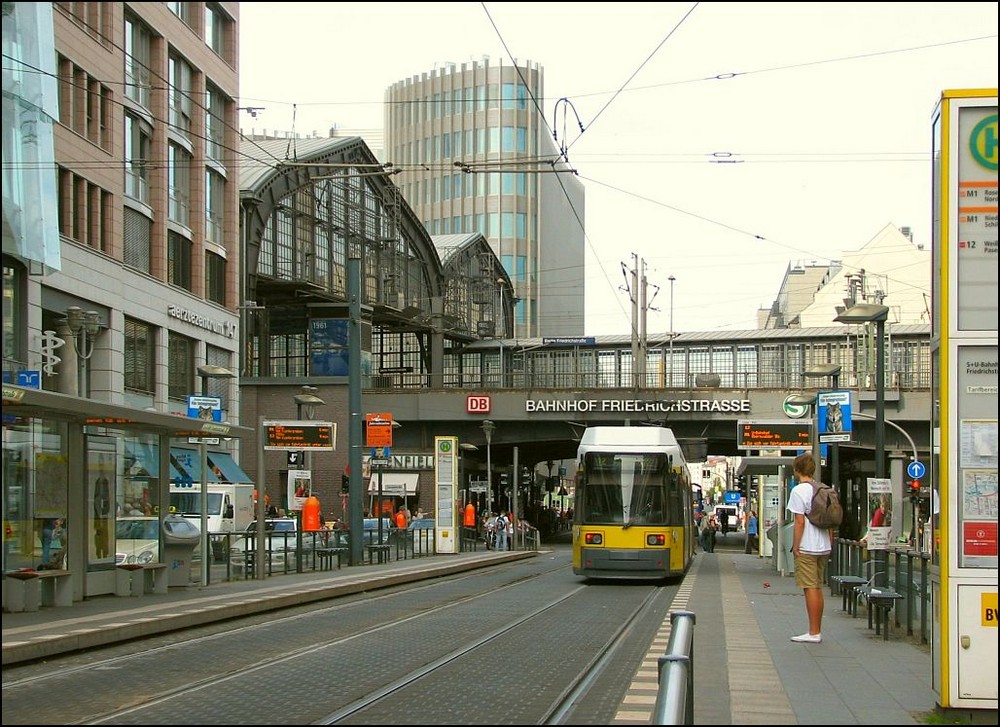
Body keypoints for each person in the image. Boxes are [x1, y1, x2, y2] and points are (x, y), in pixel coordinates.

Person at [787, 452, 834, 644]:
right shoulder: (822, 488)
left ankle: (814, 632)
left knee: (810, 587)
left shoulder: (799, 491)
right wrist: (829, 542)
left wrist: (796, 546)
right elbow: (830, 520)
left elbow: (799, 522)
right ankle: (816, 629)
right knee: (817, 586)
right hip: (822, 545)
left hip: (807, 546)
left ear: (797, 471)